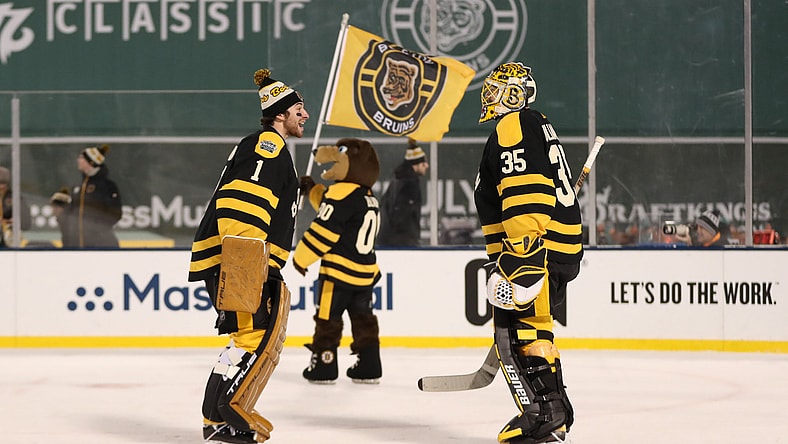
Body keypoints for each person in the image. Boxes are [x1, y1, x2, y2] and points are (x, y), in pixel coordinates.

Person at [188, 68, 308, 444]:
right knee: (254, 337)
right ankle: (232, 414)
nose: (305, 115)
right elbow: (242, 198)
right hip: (241, 257)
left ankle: (214, 421)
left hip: (238, 256)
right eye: (299, 110)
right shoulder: (267, 146)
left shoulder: (267, 148)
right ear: (280, 114)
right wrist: (248, 261)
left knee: (243, 339)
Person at [474, 62, 581, 444]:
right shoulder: (535, 125)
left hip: (536, 247)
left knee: (524, 330)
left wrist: (522, 259)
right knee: (536, 329)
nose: (489, 97)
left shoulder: (514, 125)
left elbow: (526, 193)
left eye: (496, 90)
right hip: (555, 247)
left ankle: (544, 414)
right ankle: (556, 412)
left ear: (515, 94)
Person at [293, 138, 383, 385]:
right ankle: (369, 365)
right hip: (364, 275)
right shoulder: (369, 197)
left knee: (328, 320)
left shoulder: (340, 194)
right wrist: (313, 190)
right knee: (364, 320)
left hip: (337, 273)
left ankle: (324, 364)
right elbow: (334, 209)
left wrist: (301, 257)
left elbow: (325, 229)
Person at [376, 138, 428, 247]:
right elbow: (402, 214)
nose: (427, 166)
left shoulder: (398, 180)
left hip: (388, 241)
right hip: (401, 243)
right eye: (423, 163)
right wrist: (409, 240)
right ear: (415, 165)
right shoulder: (409, 184)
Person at [69, 145, 122, 248]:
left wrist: (95, 230)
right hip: (79, 243)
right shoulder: (79, 186)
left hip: (101, 244)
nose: (78, 160)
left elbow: (115, 213)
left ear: (91, 162)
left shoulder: (107, 186)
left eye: (81, 157)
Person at [0, 166, 31, 247]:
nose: (1, 187)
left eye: (3, 183)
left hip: (9, 240)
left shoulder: (15, 197)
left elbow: (26, 222)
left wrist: (15, 221)